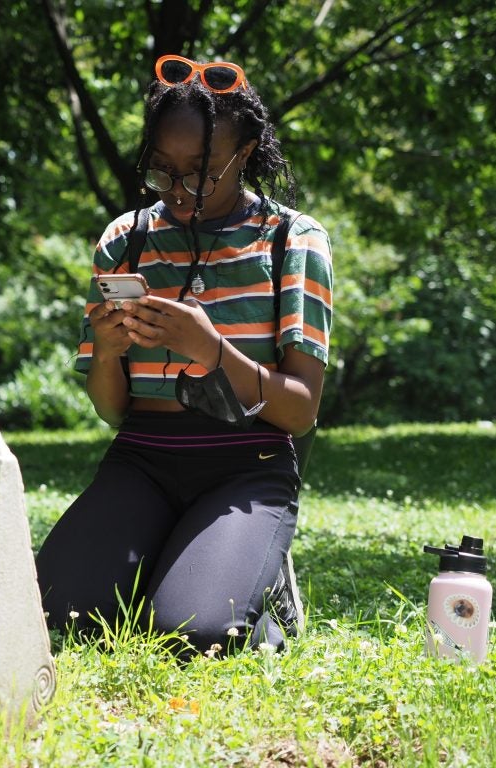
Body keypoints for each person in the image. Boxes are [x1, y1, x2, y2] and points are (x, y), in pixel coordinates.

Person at [36, 54, 333, 652]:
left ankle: (263, 588)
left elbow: (300, 410)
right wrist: (107, 352)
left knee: (191, 635)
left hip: (247, 466)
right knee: (54, 616)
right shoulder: (126, 240)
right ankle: (177, 554)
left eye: (199, 172)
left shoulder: (292, 240)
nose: (177, 191)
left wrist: (210, 348)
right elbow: (114, 411)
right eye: (162, 171)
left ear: (244, 154)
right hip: (142, 459)